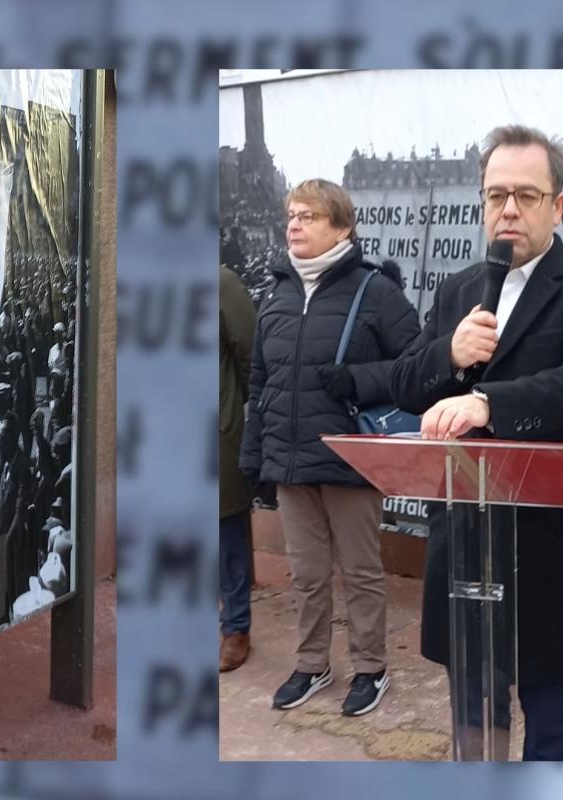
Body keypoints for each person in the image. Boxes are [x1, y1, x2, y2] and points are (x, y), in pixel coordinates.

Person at [389, 125, 563, 760]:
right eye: (496, 195)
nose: (509, 210)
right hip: (465, 535)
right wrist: (449, 353)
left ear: (559, 205)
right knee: (473, 708)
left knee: (547, 708)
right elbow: (407, 383)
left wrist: (489, 402)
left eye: (527, 195)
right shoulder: (458, 289)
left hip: (543, 539)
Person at [240, 178, 421, 716]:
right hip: (291, 459)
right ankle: (312, 663)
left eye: (309, 216)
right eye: (291, 216)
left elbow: (417, 368)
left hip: (350, 456)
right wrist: (253, 451)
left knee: (361, 573)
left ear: (342, 228)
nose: (294, 225)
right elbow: (260, 380)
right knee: (307, 573)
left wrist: (358, 380)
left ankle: (370, 668)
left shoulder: (376, 292)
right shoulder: (276, 293)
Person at [219, 266, 257, 672]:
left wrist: (228, 409)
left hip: (215, 429)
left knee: (225, 526)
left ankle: (236, 626)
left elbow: (250, 358)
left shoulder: (222, 284)